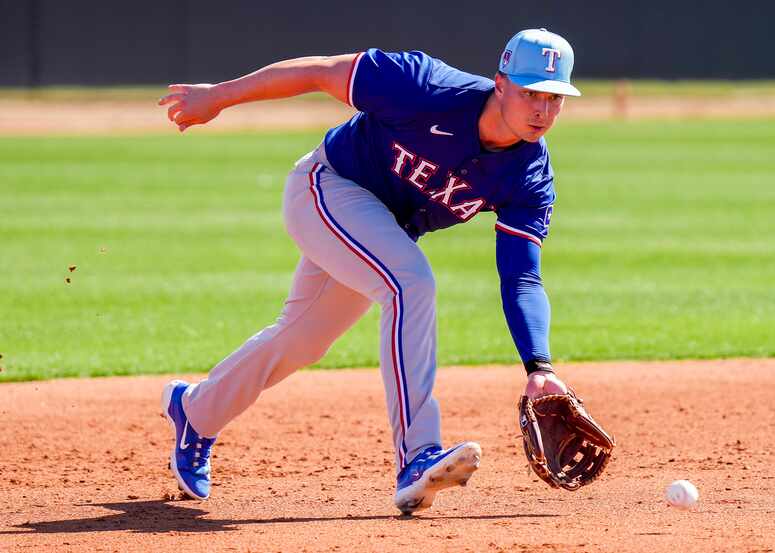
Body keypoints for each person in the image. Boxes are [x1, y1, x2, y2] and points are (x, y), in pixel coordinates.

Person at [158, 28, 580, 515]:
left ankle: (195, 412)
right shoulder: (424, 85)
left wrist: (539, 366)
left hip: (380, 232)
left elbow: (522, 277)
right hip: (326, 188)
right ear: (500, 83)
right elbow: (317, 71)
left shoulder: (529, 175)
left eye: (554, 98)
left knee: (301, 339)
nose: (542, 111)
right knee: (410, 284)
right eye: (531, 93)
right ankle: (417, 453)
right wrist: (220, 96)